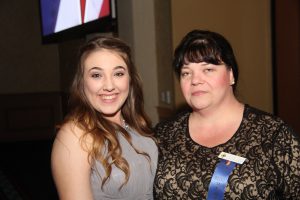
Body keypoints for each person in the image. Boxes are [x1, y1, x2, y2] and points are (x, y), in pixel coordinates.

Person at [153, 29, 300, 199]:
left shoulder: (273, 135)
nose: (195, 80)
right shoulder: (164, 134)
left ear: (231, 75)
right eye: (186, 73)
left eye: (208, 69)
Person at [51, 36, 158, 200]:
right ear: (82, 83)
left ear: (130, 79)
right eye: (96, 75)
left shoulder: (137, 124)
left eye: (118, 73)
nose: (109, 86)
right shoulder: (75, 135)